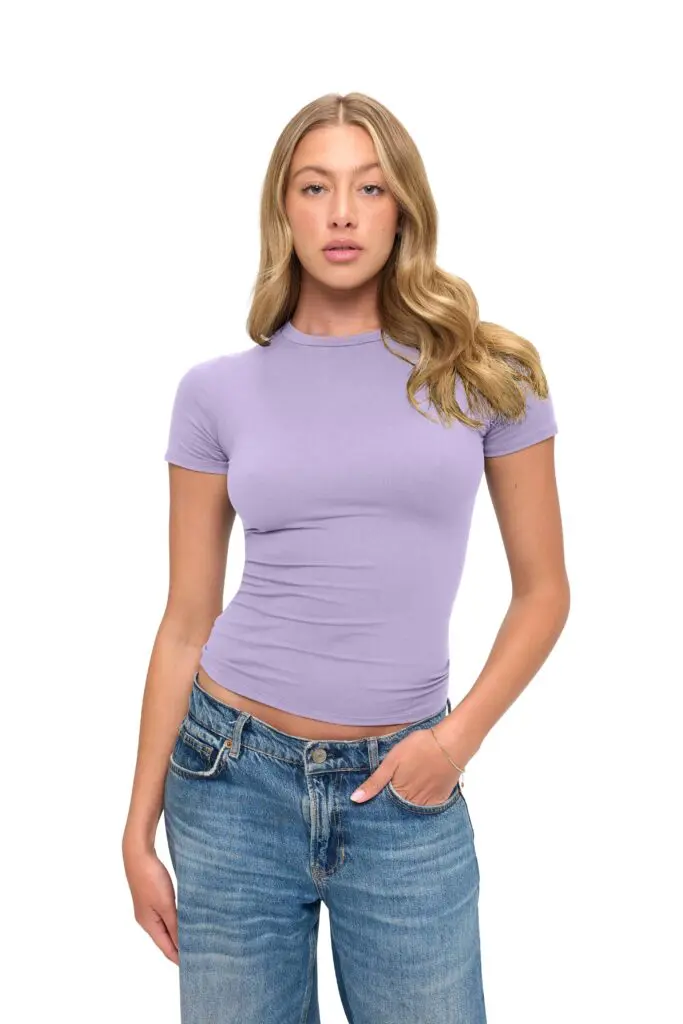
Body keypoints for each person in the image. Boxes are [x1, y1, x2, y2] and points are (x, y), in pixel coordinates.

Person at [122, 91, 570, 1023]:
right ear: (281, 210)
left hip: (405, 787)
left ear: (402, 208)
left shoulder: (486, 377)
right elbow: (186, 620)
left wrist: (453, 743)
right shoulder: (214, 393)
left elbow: (544, 593)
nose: (340, 214)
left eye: (368, 188)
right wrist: (137, 828)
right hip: (228, 776)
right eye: (314, 186)